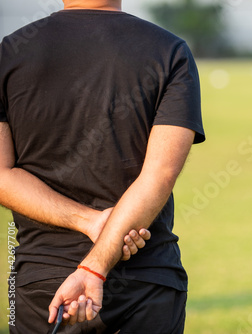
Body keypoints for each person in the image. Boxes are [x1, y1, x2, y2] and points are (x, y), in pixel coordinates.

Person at [0, 0, 205, 332]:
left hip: (43, 282)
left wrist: (91, 223)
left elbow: (1, 176)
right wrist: (94, 267)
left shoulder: (8, 52)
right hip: (146, 278)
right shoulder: (170, 51)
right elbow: (159, 175)